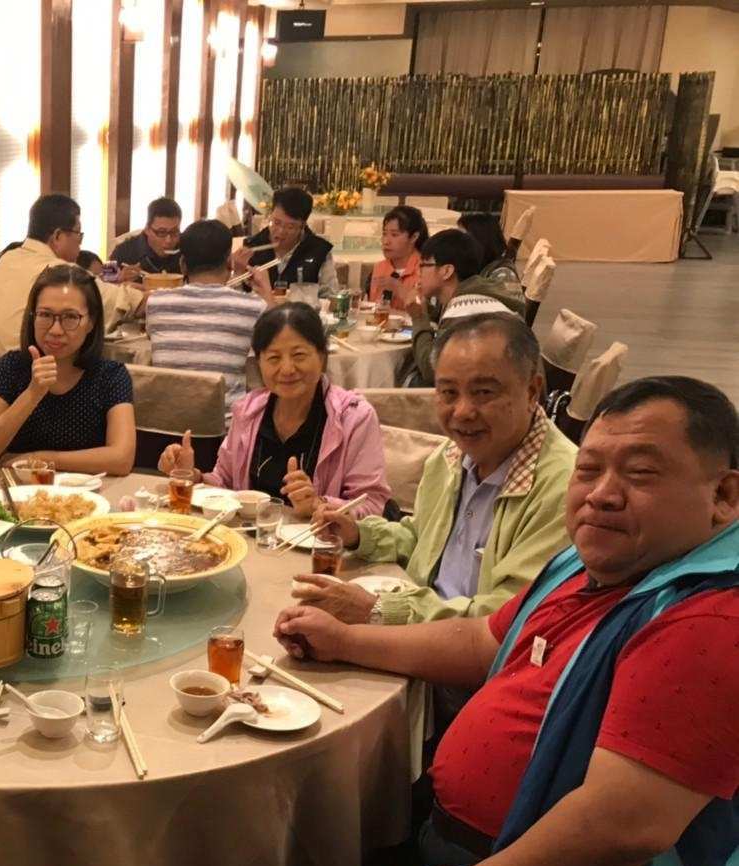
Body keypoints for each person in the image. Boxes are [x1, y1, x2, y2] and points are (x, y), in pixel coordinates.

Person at [244, 376, 739, 866]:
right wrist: (346, 638)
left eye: (639, 474)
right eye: (590, 468)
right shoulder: (595, 561)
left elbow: (623, 828)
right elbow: (484, 641)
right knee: (327, 850)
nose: (601, 494)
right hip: (504, 861)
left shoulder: (707, 622)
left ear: (723, 496)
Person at [297, 314, 575, 626]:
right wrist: (358, 534)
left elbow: (505, 618)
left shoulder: (565, 489)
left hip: (475, 649)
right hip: (421, 625)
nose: (463, 411)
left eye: (484, 392)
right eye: (449, 392)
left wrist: (379, 610)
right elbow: (420, 539)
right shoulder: (450, 457)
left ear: (532, 392)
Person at [159, 302, 389, 519]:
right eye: (274, 358)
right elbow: (226, 484)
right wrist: (191, 477)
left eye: (299, 355)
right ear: (259, 363)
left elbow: (372, 505)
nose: (287, 369)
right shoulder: (248, 411)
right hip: (252, 538)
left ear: (322, 357)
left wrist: (317, 504)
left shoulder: (353, 417)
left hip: (318, 543)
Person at [0, 263, 136, 475]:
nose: (56, 330)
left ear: (91, 322)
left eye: (70, 317)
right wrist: (32, 394)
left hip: (86, 492)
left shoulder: (110, 376)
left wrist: (40, 459)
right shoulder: (12, 367)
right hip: (19, 490)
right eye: (45, 315)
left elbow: (121, 459)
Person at [0, 193, 143, 351]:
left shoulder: (7, 258)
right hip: (36, 362)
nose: (80, 243)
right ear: (57, 236)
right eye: (78, 234)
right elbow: (131, 302)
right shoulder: (58, 272)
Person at [144, 219, 270, 413]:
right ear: (229, 263)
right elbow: (279, 339)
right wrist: (267, 294)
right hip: (227, 427)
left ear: (183, 265)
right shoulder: (253, 307)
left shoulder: (156, 303)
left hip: (168, 424)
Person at [403, 228, 526, 388]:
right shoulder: (477, 295)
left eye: (423, 265)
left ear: (447, 271)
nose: (418, 272)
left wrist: (419, 317)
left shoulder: (463, 308)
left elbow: (433, 370)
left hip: (495, 395)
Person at [230, 187, 338, 293]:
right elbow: (234, 298)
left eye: (290, 227)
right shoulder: (252, 246)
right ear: (270, 215)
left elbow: (330, 294)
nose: (281, 231)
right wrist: (238, 272)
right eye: (276, 222)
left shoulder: (319, 250)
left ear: (302, 226)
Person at [368, 205, 428, 312]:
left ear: (414, 237)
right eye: (384, 234)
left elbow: (428, 314)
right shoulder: (379, 267)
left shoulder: (427, 269)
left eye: (394, 235)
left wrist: (400, 289)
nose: (386, 241)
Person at [109, 196, 183, 276]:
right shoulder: (123, 250)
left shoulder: (187, 247)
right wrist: (118, 279)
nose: (169, 240)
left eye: (174, 232)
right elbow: (105, 277)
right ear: (147, 229)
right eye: (161, 232)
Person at [458, 211, 521, 294]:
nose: (458, 244)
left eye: (463, 239)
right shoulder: (476, 268)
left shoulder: (504, 275)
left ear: (480, 240)